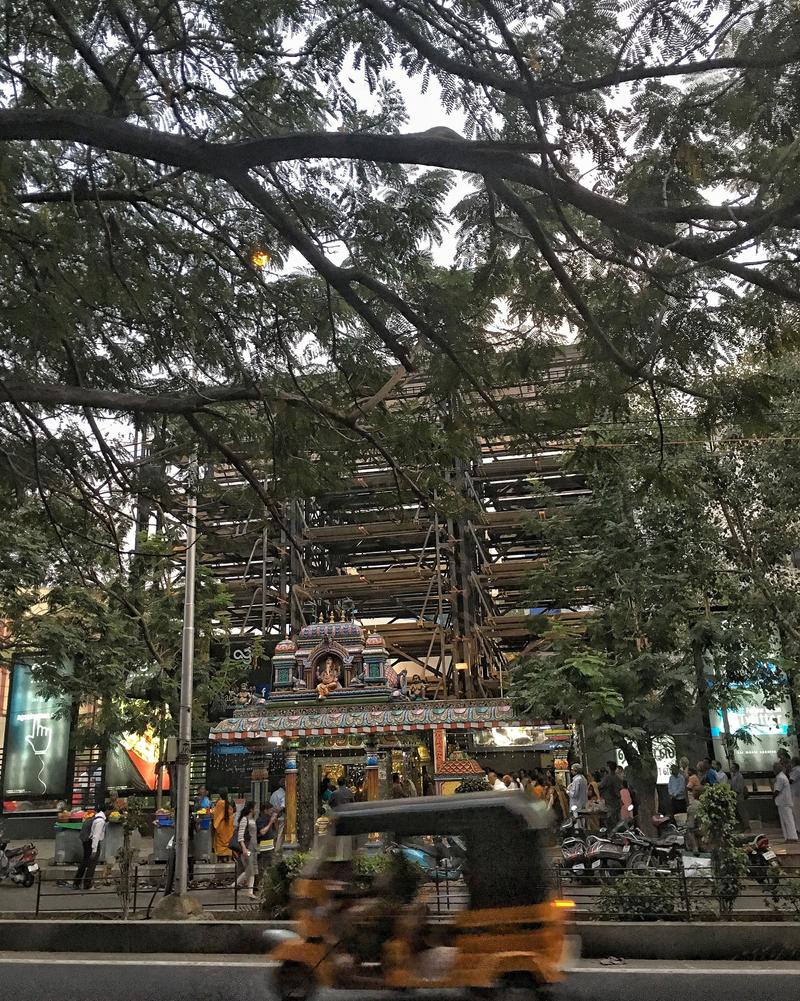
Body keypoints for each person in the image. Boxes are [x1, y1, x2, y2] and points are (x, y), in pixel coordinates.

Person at [73, 803, 106, 890]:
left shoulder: (95, 816)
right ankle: (87, 883)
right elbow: (96, 836)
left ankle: (77, 882)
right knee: (92, 862)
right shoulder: (100, 821)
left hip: (85, 839)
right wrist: (94, 850)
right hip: (90, 841)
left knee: (85, 860)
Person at [235, 800, 258, 898]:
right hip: (247, 848)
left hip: (254, 848)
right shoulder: (245, 820)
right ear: (251, 809)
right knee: (250, 869)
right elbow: (240, 836)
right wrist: (244, 848)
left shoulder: (252, 820)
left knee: (251, 870)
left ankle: (235, 885)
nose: (257, 810)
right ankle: (249, 891)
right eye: (255, 808)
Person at [773, 760, 799, 842]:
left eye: (773, 769)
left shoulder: (780, 777)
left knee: (788, 819)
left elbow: (777, 790)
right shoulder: (781, 776)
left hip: (784, 802)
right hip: (782, 803)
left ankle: (792, 837)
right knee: (785, 820)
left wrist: (773, 797)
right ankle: (788, 837)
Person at [212, 788, 236, 860]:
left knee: (220, 842)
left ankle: (221, 858)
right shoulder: (229, 802)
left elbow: (216, 814)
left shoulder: (219, 803)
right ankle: (228, 857)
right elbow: (232, 812)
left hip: (221, 826)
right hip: (228, 826)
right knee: (228, 841)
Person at [599, 761, 623, 827]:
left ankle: (612, 834)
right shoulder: (618, 778)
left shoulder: (608, 778)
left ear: (609, 768)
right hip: (617, 801)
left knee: (610, 820)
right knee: (617, 819)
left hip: (610, 801)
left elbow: (601, 786)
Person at [256, 804, 277, 874]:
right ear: (265, 810)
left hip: (270, 847)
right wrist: (270, 822)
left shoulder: (270, 819)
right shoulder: (260, 820)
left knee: (270, 866)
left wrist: (274, 821)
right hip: (263, 848)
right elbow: (262, 832)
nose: (272, 812)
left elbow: (275, 832)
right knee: (263, 866)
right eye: (271, 810)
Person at [730, 762, 750, 830]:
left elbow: (739, 788)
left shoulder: (739, 776)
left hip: (739, 797)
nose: (731, 768)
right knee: (738, 812)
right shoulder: (734, 776)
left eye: (732, 767)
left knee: (742, 811)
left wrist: (733, 792)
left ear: (736, 768)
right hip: (735, 798)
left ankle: (747, 826)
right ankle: (741, 826)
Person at [270, 779, 286, 851]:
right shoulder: (283, 794)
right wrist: (278, 813)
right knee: (280, 835)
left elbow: (270, 805)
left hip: (273, 817)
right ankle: (277, 850)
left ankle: (273, 848)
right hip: (281, 817)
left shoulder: (274, 793)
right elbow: (283, 806)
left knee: (275, 834)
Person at [790, 757, 800, 828]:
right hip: (796, 793)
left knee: (796, 812)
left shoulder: (796, 770)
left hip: (796, 794)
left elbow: (791, 780)